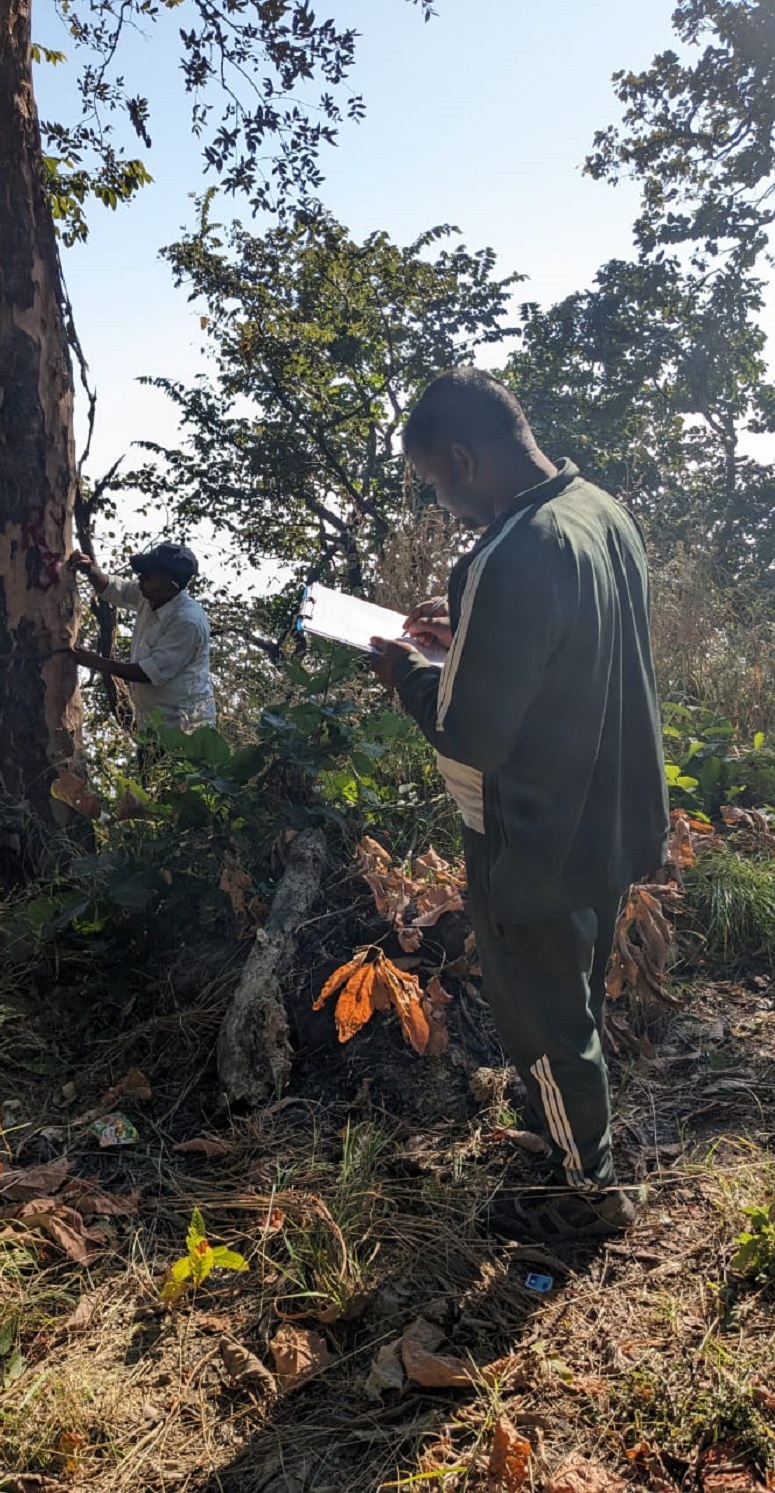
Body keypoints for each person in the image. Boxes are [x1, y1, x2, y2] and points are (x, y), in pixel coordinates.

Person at [370, 368, 668, 1240]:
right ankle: (575, 1136)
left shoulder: (510, 551)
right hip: (611, 812)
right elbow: (566, 643)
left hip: (532, 832)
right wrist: (465, 622)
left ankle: (585, 1194)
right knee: (572, 994)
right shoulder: (598, 512)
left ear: (463, 457)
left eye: (436, 483)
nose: (443, 501)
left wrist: (404, 669)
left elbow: (471, 734)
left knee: (540, 1018)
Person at [68, 542, 216, 732]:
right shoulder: (148, 594)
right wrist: (90, 570)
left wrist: (94, 662)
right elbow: (114, 589)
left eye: (148, 577)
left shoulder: (187, 622)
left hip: (184, 730)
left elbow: (148, 673)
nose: (140, 580)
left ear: (170, 588)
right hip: (151, 725)